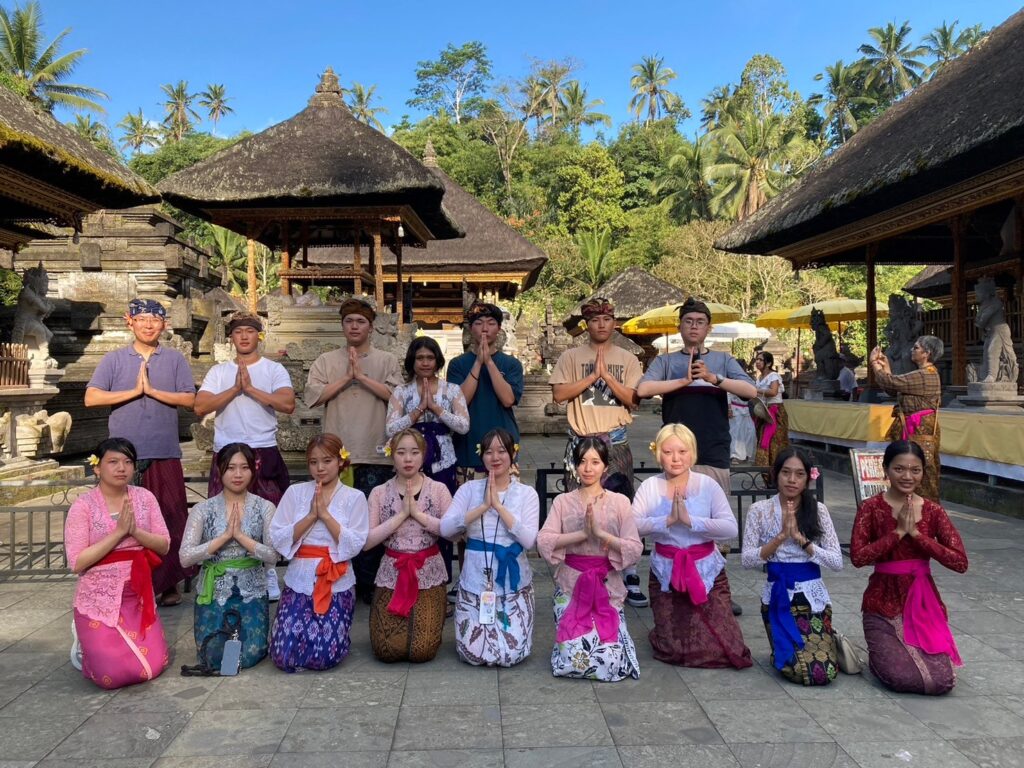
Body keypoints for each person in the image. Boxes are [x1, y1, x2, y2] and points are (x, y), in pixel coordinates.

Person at [636, 297, 756, 616]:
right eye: (688, 321)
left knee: (714, 521)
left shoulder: (723, 360)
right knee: (674, 518)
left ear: (708, 328)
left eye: (700, 322)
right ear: (680, 327)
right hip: (675, 454)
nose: (693, 326)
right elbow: (643, 390)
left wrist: (714, 378)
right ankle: (673, 583)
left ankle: (717, 588)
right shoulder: (665, 361)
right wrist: (683, 381)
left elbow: (751, 391)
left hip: (712, 447)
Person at [85, 298, 196, 607]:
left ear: (164, 324)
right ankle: (129, 581)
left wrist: (153, 392)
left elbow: (190, 399)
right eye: (142, 318)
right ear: (129, 321)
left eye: (155, 319)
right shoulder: (114, 359)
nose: (149, 325)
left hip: (163, 450)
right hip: (123, 455)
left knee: (170, 516)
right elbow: (91, 397)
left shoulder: (174, 359)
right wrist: (134, 392)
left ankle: (169, 583)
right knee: (125, 519)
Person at [549, 297, 647, 608]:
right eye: (594, 320)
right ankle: (578, 569)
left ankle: (628, 571)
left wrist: (607, 377)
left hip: (614, 442)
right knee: (578, 507)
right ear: (586, 324)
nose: (601, 325)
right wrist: (591, 377)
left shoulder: (628, 359)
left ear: (614, 322)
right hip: (581, 441)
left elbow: (634, 399)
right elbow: (559, 394)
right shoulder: (570, 356)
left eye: (607, 319)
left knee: (620, 506)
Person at [850, 440, 967, 695]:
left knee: (941, 681)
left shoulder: (933, 511)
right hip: (881, 602)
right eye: (899, 469)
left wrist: (916, 535)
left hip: (923, 603)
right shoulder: (871, 508)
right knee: (901, 677)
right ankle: (878, 657)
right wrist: (898, 533)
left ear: (923, 472)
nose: (907, 476)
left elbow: (960, 562)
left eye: (915, 470)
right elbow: (858, 558)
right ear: (886, 470)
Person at [304, 298, 401, 604]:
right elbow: (313, 397)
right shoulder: (326, 361)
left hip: (375, 452)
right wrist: (347, 376)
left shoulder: (386, 360)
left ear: (371, 327)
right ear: (342, 326)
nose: (355, 326)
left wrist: (362, 377)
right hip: (337, 457)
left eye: (361, 321)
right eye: (349, 321)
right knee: (339, 520)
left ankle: (371, 583)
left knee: (373, 521)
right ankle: (342, 578)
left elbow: (397, 397)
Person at [632, 424, 752, 669]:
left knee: (725, 647)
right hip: (667, 572)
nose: (675, 458)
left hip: (706, 570)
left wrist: (690, 521)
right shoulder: (650, 486)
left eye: (682, 451)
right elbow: (631, 526)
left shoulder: (707, 485)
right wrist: (667, 520)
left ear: (692, 453)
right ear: (659, 454)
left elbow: (730, 528)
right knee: (674, 649)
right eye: (668, 452)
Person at [194, 311, 295, 600]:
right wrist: (235, 389)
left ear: (258, 335)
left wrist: (250, 389)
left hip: (262, 448)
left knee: (266, 514)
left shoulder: (273, 370)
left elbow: (287, 404)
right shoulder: (219, 372)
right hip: (227, 450)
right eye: (238, 332)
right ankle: (226, 570)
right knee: (226, 513)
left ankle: (269, 571)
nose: (244, 336)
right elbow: (200, 407)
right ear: (231, 337)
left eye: (250, 331)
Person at [64, 438, 171, 689]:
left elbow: (164, 545)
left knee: (153, 666)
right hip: (98, 596)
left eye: (128, 462)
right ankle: (86, 638)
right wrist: (119, 532)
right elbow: (76, 562)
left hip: (137, 593)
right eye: (113, 462)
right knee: (111, 676)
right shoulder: (83, 506)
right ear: (97, 468)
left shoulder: (144, 497)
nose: (121, 468)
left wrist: (135, 532)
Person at [537, 437, 643, 681]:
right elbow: (544, 540)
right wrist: (582, 535)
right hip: (571, 585)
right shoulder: (563, 501)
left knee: (611, 659)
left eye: (595, 462)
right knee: (572, 654)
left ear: (605, 466)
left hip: (607, 585)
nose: (588, 468)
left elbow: (634, 547)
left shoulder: (620, 502)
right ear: (575, 465)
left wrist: (601, 535)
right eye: (583, 461)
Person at [742, 448, 843, 685]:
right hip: (778, 595)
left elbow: (836, 562)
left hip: (811, 597)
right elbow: (747, 560)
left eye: (799, 474)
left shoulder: (818, 510)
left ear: (808, 478)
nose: (792, 480)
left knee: (823, 672)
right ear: (775, 474)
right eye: (786, 472)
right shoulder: (759, 510)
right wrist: (779, 538)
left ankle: (826, 642)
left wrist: (800, 540)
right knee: (796, 669)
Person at [268, 434, 369, 672]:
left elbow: (355, 543)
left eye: (327, 461)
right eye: (313, 462)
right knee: (283, 654)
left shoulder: (354, 497)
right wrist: (311, 516)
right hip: (299, 577)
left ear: (340, 461)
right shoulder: (295, 492)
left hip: (335, 578)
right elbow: (278, 535)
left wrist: (325, 515)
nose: (320, 468)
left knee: (324, 656)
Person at [440, 428, 539, 667]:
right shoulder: (468, 490)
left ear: (512, 454)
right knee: (472, 652)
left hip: (513, 583)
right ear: (481, 456)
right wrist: (483, 507)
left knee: (512, 653)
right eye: (489, 452)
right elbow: (445, 528)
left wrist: (499, 508)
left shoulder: (527, 493)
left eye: (502, 451)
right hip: (476, 579)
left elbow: (529, 540)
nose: (495, 457)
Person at [179, 443, 279, 670]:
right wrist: (223, 537)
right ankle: (224, 660)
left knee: (250, 654)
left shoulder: (265, 507)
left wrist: (241, 537)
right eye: (231, 468)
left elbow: (273, 555)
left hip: (251, 591)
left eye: (244, 467)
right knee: (213, 655)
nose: (238, 474)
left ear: (253, 470)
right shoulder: (203, 509)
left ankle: (235, 659)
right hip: (215, 592)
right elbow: (185, 557)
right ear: (220, 470)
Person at [385, 336, 468, 583]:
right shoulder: (401, 392)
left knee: (442, 516)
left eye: (430, 357)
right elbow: (390, 429)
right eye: (420, 357)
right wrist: (419, 409)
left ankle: (441, 582)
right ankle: (410, 578)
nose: (425, 362)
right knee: (410, 514)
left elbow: (463, 425)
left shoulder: (452, 390)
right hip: (410, 458)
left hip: (443, 459)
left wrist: (437, 408)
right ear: (412, 361)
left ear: (438, 360)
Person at [365, 429, 453, 663]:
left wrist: (419, 515)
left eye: (414, 452)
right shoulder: (379, 492)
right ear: (392, 455)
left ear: (423, 455)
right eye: (401, 452)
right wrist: (402, 515)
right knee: (386, 649)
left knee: (422, 650)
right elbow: (367, 542)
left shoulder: (438, 489)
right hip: (392, 572)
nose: (408, 459)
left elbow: (453, 533)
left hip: (428, 571)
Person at [447, 301, 524, 480]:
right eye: (478, 323)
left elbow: (508, 399)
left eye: (491, 323)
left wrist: (489, 362)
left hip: (504, 445)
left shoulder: (511, 364)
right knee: (469, 497)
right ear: (470, 328)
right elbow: (461, 402)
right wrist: (478, 362)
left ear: (499, 328)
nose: (484, 328)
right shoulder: (457, 364)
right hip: (468, 445)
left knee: (505, 497)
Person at [869, 336, 943, 502]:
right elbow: (893, 388)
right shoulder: (924, 374)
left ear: (926, 353)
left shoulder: (924, 375)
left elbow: (891, 383)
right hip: (916, 430)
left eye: (916, 348)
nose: (912, 350)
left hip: (918, 430)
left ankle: (923, 510)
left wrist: (874, 363)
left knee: (918, 471)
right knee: (913, 469)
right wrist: (886, 368)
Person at [753, 351, 789, 468]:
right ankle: (766, 473)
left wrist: (756, 390)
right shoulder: (759, 377)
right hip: (764, 412)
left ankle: (777, 469)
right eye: (756, 359)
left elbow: (773, 392)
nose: (757, 362)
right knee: (762, 439)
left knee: (774, 441)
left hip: (775, 411)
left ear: (768, 363)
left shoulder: (774, 376)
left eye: (760, 360)